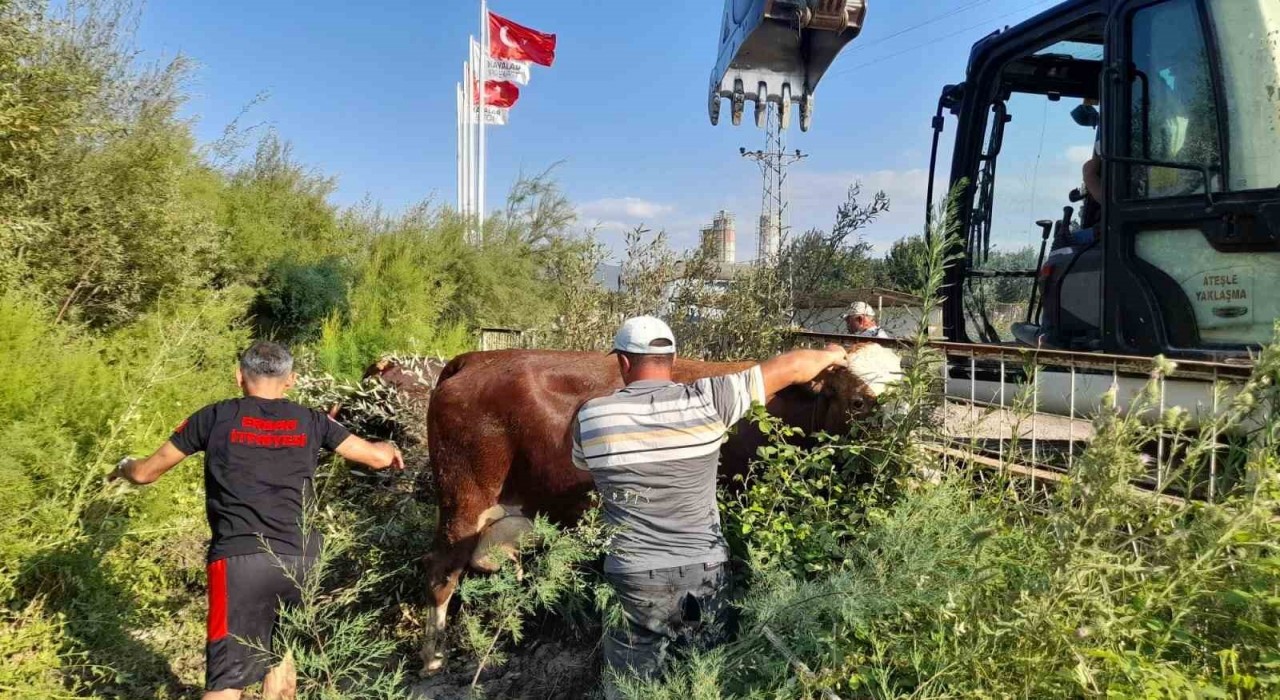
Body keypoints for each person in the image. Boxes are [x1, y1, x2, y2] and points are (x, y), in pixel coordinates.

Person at [571, 316, 850, 696]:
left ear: (622, 362)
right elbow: (792, 366)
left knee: (631, 684)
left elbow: (581, 464)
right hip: (704, 570)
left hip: (634, 572)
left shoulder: (591, 415)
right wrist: (833, 353)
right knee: (706, 674)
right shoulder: (709, 400)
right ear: (672, 359)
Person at [109, 340, 404, 700]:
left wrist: (124, 466)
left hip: (240, 560)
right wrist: (390, 449)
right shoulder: (313, 421)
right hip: (304, 562)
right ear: (291, 380)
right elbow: (374, 457)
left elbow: (145, 473)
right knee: (280, 665)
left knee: (226, 683)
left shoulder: (214, 417)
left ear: (238, 377)